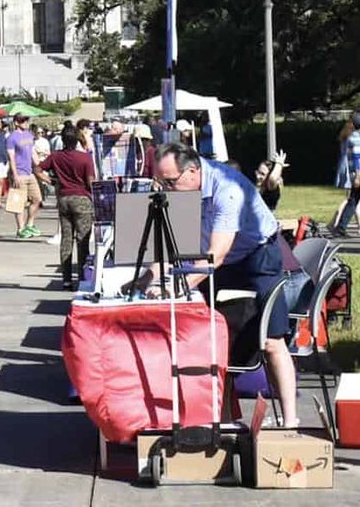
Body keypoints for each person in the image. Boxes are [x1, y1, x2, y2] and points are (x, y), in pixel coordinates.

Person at [129, 143, 301, 428]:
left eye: (170, 182)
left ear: (193, 171)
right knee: (216, 339)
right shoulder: (184, 188)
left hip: (259, 257)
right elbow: (178, 248)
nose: (167, 189)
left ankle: (290, 421)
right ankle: (223, 420)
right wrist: (146, 277)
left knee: (272, 341)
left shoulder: (227, 190)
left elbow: (215, 256)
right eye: (162, 182)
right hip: (223, 260)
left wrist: (176, 287)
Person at [36, 129, 94, 287]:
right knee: (83, 240)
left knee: (66, 239)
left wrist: (52, 181)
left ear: (62, 140)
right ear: (77, 141)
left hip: (63, 198)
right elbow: (90, 181)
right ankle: (83, 276)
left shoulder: (55, 156)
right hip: (82, 199)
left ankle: (67, 279)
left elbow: (38, 170)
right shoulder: (85, 158)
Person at [6, 113, 43, 238]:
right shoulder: (12, 137)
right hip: (19, 173)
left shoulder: (29, 136)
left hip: (30, 173)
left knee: (37, 199)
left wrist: (40, 166)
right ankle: (20, 228)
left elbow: (33, 153)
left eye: (27, 120)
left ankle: (30, 225)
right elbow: (11, 157)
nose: (26, 123)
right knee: (19, 203)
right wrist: (14, 174)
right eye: (23, 121)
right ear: (16, 122)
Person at [330, 117, 360, 234]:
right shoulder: (353, 137)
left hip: (344, 165)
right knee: (352, 198)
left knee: (354, 198)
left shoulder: (345, 135)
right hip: (349, 167)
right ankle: (335, 223)